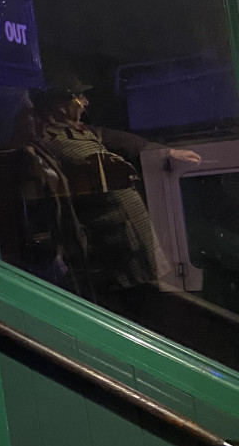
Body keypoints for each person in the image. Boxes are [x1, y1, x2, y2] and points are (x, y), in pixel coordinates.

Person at [33, 76, 200, 299]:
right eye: (79, 97)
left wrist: (165, 152)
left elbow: (120, 140)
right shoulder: (49, 141)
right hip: (110, 247)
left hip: (132, 235)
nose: (85, 102)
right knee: (132, 300)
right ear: (60, 105)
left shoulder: (79, 130)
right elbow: (94, 167)